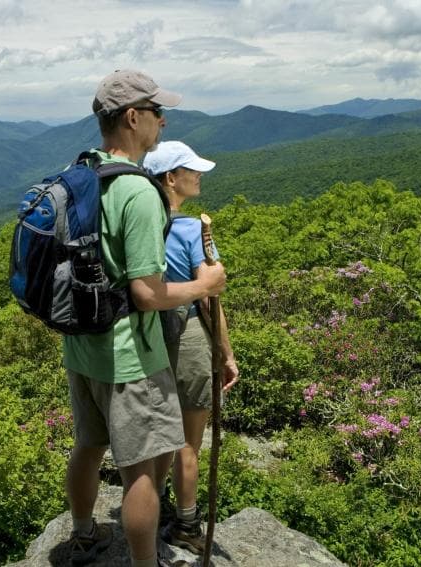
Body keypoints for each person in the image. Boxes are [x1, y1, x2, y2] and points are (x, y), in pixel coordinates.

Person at [63, 70, 227, 567]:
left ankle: (83, 534)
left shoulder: (81, 173)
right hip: (129, 357)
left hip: (82, 345)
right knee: (139, 470)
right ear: (133, 118)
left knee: (88, 446)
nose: (163, 121)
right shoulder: (137, 192)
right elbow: (147, 292)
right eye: (158, 112)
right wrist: (205, 286)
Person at [143, 141, 239, 555]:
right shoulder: (190, 230)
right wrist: (227, 354)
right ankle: (186, 523)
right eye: (191, 170)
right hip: (189, 339)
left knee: (157, 434)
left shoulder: (139, 226)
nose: (199, 176)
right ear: (171, 178)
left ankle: (149, 509)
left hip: (147, 339)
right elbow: (210, 299)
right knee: (188, 441)